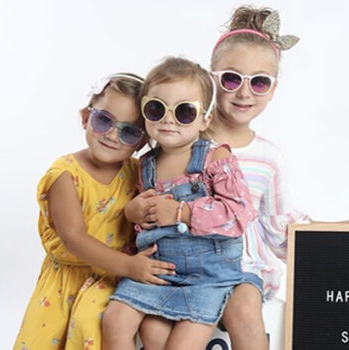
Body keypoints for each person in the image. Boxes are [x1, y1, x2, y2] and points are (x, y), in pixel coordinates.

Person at [134, 6, 349, 350]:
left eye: (259, 82)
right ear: (211, 80)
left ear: (273, 89)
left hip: (238, 269)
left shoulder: (268, 158)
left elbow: (279, 228)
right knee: (153, 329)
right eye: (232, 78)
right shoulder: (177, 135)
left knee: (245, 307)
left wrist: (337, 231)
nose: (244, 93)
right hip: (177, 266)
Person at [101, 57, 256, 350]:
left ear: (204, 120)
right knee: (115, 319)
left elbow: (239, 215)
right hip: (159, 271)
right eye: (156, 109)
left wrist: (182, 212)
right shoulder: (144, 165)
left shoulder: (215, 158)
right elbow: (144, 225)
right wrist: (132, 211)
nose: (168, 119)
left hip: (207, 278)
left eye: (184, 111)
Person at [13, 73, 176, 350]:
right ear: (85, 117)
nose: (113, 135)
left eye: (128, 131)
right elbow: (73, 239)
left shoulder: (137, 172)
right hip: (67, 281)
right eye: (104, 121)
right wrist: (129, 266)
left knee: (96, 324)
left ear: (141, 142)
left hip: (114, 279)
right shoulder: (65, 175)